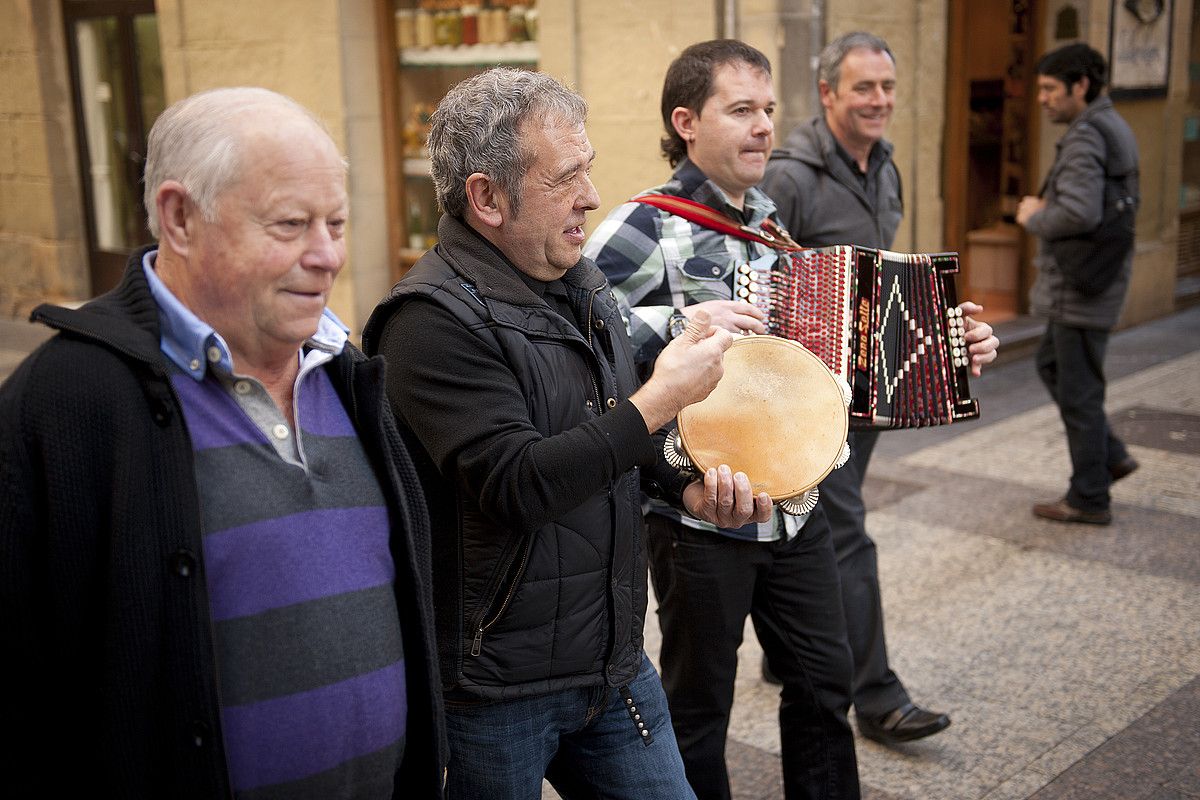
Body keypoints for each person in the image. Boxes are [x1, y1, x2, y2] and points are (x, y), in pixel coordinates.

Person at [0, 87, 445, 798]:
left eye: (335, 222)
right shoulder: (69, 401)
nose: (327, 255)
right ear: (179, 217)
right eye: (291, 224)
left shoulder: (352, 379)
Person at [362, 67, 772, 800]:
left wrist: (688, 486)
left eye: (588, 170)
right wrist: (658, 401)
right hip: (492, 690)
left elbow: (605, 434)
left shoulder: (579, 280)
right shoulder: (426, 322)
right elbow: (520, 481)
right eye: (566, 178)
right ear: (486, 197)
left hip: (611, 663)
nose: (589, 196)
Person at [587, 39, 863, 800]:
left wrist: (946, 353)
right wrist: (678, 325)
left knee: (823, 685)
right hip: (698, 513)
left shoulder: (772, 226)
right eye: (740, 110)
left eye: (768, 109)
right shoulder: (643, 224)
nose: (763, 127)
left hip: (796, 504)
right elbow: (577, 324)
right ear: (686, 122)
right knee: (699, 708)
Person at [759, 30, 999, 746]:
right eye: (864, 88)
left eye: (888, 88)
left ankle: (781, 648)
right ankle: (879, 697)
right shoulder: (789, 177)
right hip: (808, 401)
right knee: (845, 534)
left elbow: (883, 271)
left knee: (808, 527)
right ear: (828, 93)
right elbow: (769, 290)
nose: (880, 102)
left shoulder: (885, 165)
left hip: (865, 394)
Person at [1016, 42, 1140, 526]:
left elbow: (1079, 212)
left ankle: (1089, 495)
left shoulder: (1088, 136)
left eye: (1050, 89)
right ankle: (1109, 455)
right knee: (1054, 366)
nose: (1043, 99)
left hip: (1081, 290)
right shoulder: (1112, 126)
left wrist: (1035, 215)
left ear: (1080, 86)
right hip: (1096, 282)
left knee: (1079, 390)